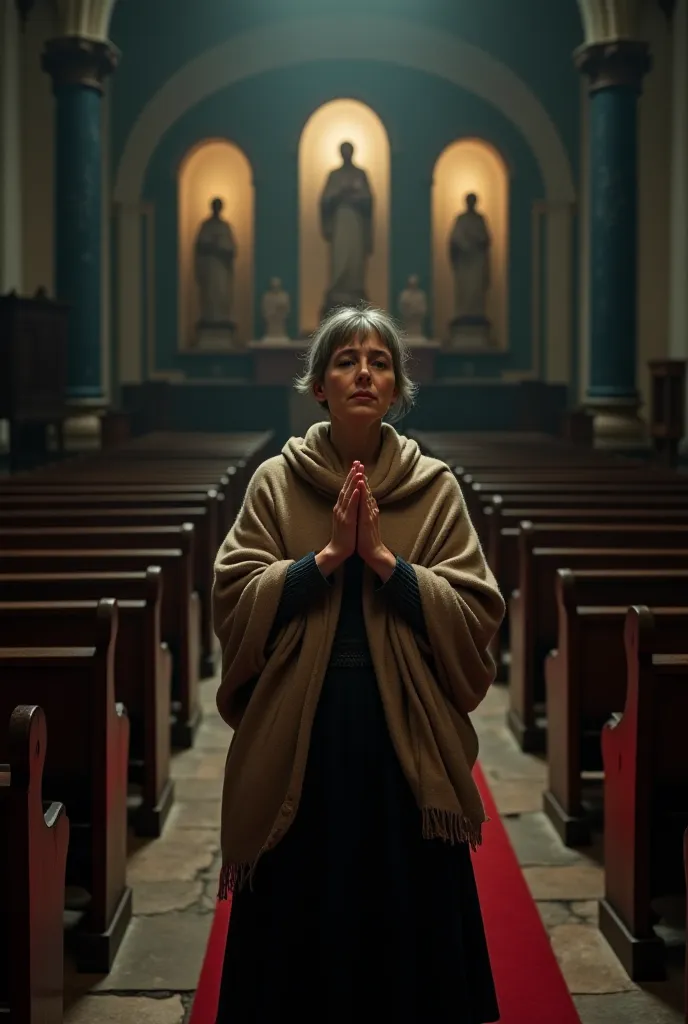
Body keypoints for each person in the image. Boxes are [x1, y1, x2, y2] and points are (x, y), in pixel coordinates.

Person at [212, 305, 505, 1023]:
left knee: (403, 901)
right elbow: (233, 594)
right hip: (300, 725)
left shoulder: (432, 485)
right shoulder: (275, 483)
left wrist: (384, 562)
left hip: (400, 722)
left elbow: (475, 608)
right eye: (346, 360)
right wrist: (323, 560)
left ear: (398, 385)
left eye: (379, 360)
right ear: (318, 384)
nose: (363, 372)